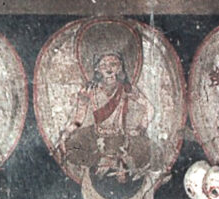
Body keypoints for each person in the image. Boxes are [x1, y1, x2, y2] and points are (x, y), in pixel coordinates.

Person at [60, 49, 152, 186]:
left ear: (120, 67)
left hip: (120, 137)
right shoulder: (89, 91)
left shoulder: (127, 89)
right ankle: (104, 161)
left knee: (147, 151)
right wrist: (67, 132)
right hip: (97, 137)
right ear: (97, 69)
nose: (109, 70)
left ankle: (115, 161)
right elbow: (78, 119)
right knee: (70, 146)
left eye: (113, 64)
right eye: (104, 65)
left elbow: (149, 108)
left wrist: (141, 128)